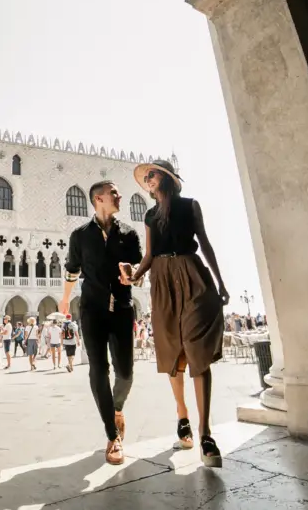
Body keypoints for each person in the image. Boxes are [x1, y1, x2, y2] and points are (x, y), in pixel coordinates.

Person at [128, 160, 230, 468]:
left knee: (198, 352)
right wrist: (135, 275)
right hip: (161, 280)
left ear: (167, 178)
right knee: (173, 351)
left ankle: (206, 433)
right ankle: (182, 415)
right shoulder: (148, 215)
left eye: (152, 173)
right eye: (145, 177)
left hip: (192, 273)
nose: (148, 179)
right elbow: (148, 255)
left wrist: (221, 281)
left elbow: (206, 243)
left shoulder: (190, 206)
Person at [60, 180, 142, 466]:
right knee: (98, 368)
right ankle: (112, 435)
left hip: (121, 308)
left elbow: (139, 271)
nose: (120, 196)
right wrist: (64, 300)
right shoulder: (80, 236)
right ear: (98, 199)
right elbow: (72, 270)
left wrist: (132, 275)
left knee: (126, 372)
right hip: (92, 310)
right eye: (114, 193)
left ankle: (117, 408)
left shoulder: (129, 235)